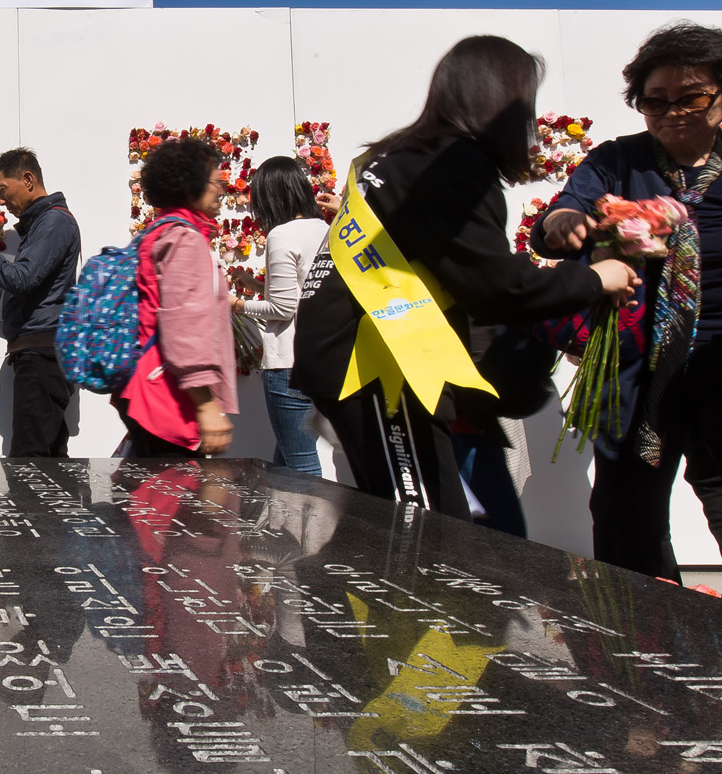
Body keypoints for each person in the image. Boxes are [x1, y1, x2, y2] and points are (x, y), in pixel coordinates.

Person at [531, 22, 722, 629]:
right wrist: (563, 222)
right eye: (655, 101)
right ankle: (644, 657)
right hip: (645, 373)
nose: (672, 112)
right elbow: (566, 210)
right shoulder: (617, 162)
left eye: (691, 97)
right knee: (627, 516)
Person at [294, 36, 639, 518]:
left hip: (354, 354)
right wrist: (596, 280)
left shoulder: (400, 154)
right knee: (421, 525)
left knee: (405, 516)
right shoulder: (450, 162)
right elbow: (496, 286)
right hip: (375, 363)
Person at [0, 148, 83, 457]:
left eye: (3, 190)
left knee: (29, 457)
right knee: (47, 457)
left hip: (43, 356)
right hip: (40, 353)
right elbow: (14, 291)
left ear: (28, 180)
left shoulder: (54, 222)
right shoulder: (42, 224)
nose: (1, 201)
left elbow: (20, 278)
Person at [114, 137, 238, 458]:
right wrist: (206, 406)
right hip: (167, 394)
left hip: (143, 386)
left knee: (150, 483)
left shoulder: (158, 232)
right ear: (190, 186)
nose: (221, 190)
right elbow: (184, 326)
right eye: (215, 182)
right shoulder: (185, 239)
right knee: (172, 487)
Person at [234, 156, 329, 476]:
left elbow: (283, 308)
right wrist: (256, 285)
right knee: (286, 460)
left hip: (288, 363)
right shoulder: (324, 229)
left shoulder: (282, 235)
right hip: (318, 361)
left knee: (300, 464)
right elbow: (304, 292)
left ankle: (312, 513)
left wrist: (238, 305)